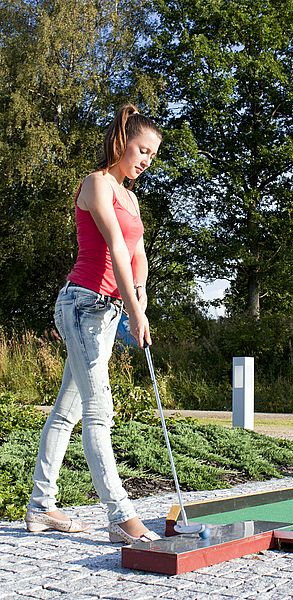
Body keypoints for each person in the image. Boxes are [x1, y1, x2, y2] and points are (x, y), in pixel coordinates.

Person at [26, 104, 163, 544]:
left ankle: (40, 508)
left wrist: (138, 294)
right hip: (82, 305)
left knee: (66, 413)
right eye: (142, 150)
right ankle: (120, 516)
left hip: (108, 311)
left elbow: (137, 255)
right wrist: (136, 310)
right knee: (98, 412)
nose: (145, 161)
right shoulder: (96, 184)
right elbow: (115, 251)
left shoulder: (131, 196)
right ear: (123, 141)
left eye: (152, 156)